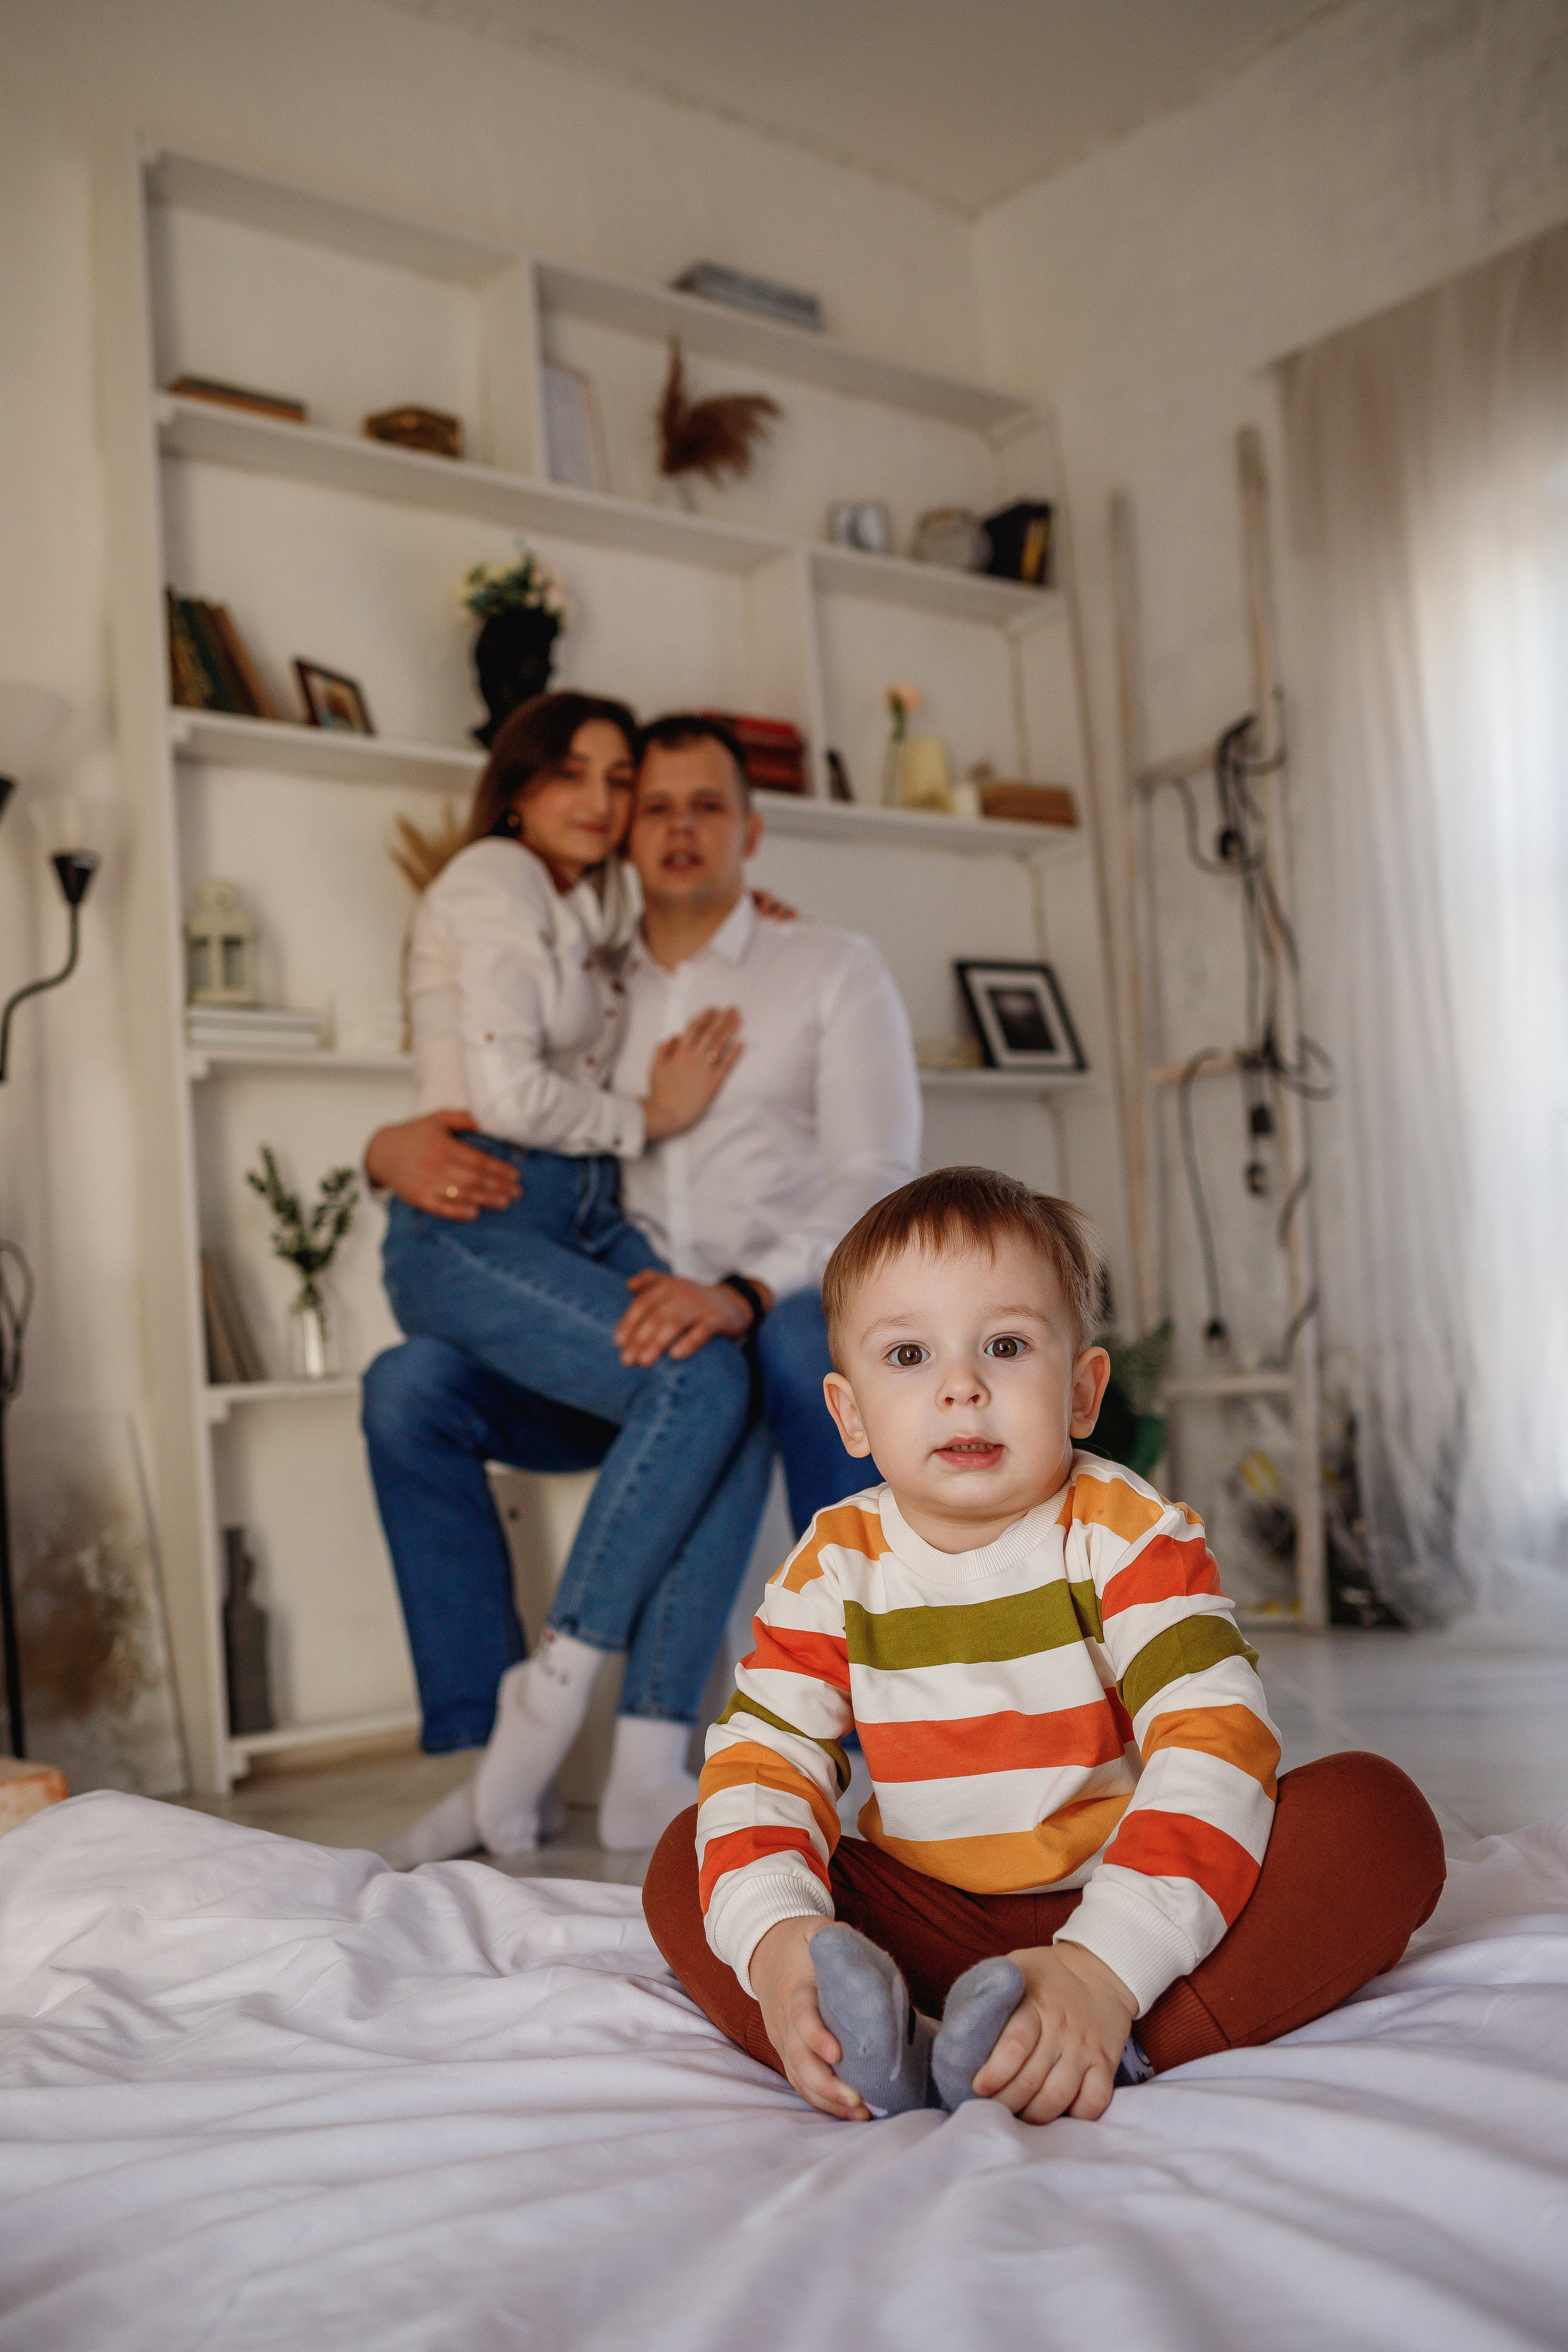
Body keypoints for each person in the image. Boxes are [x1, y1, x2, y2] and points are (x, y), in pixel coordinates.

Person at [643, 1166, 1446, 2123]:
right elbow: (769, 1762)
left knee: (1374, 1821)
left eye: (1007, 1346)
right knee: (698, 1854)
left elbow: (1212, 1743)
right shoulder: (832, 1567)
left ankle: (1104, 2031)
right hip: (922, 1920)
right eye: (907, 1357)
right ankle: (863, 2037)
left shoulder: (1129, 1535)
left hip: (1118, 1894)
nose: (962, 1388)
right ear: (849, 1414)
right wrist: (778, 1942)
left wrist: (1104, 1969)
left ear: (1081, 1390)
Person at [367, 712, 922, 1853]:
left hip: (771, 1307)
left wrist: (743, 1289)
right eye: (651, 803)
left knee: (763, 1352)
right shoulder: (587, 980)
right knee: (406, 1385)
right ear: (624, 834)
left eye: (703, 805)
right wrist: (385, 1152)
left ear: (751, 829)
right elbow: (489, 1097)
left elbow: (878, 1176)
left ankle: (861, 1721)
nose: (676, 826)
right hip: (609, 1322)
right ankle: (488, 1752)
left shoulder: (825, 967)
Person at [377, 690, 767, 1866]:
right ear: (519, 783)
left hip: (581, 1219)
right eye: (576, 777)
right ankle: (538, 1718)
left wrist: (755, 912)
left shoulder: (580, 901)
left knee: (728, 1376)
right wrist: (645, 1115)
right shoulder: (494, 877)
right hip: (487, 1208)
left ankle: (647, 1755)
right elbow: (497, 1099)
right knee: (697, 1384)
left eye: (619, 782)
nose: (600, 804)